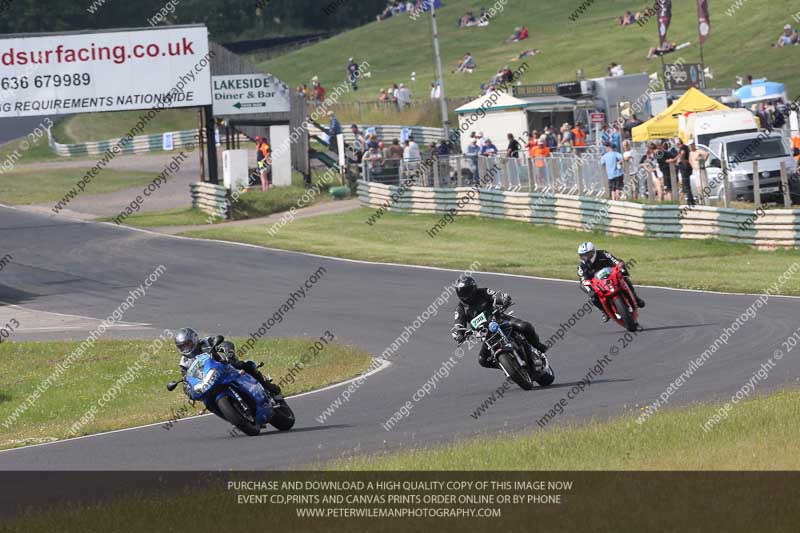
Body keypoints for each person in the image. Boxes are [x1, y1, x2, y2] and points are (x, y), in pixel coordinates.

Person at [451, 276, 550, 371]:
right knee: (483, 360)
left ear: (473, 289)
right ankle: (509, 367)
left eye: (467, 292)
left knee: (524, 326)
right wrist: (459, 334)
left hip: (500, 320)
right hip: (486, 334)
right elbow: (459, 322)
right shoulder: (460, 309)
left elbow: (495, 296)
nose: (466, 295)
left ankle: (538, 346)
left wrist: (502, 299)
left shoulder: (483, 292)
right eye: (462, 293)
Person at [174, 327, 283, 398]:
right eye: (182, 347)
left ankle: (270, 388)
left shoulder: (206, 343)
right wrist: (190, 392)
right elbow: (186, 380)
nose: (185, 348)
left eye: (187, 344)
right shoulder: (184, 362)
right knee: (207, 399)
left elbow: (225, 345)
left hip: (227, 367)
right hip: (209, 381)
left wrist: (227, 354)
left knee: (245, 365)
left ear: (194, 339)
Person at [576, 242, 645, 323]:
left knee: (625, 279)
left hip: (612, 275)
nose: (586, 257)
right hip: (598, 283)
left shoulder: (603, 253)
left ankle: (636, 298)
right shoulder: (581, 266)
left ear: (594, 251)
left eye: (588, 254)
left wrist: (620, 266)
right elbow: (583, 280)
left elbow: (615, 260)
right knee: (593, 297)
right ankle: (604, 312)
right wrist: (589, 289)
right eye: (583, 255)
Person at [669, 138, 695, 206]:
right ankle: (689, 200)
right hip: (686, 168)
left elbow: (682, 154)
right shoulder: (684, 147)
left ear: (679, 143)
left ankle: (690, 201)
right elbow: (680, 154)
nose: (677, 146)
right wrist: (674, 159)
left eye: (677, 144)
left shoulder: (683, 147)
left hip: (685, 169)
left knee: (686, 186)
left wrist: (682, 161)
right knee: (685, 185)